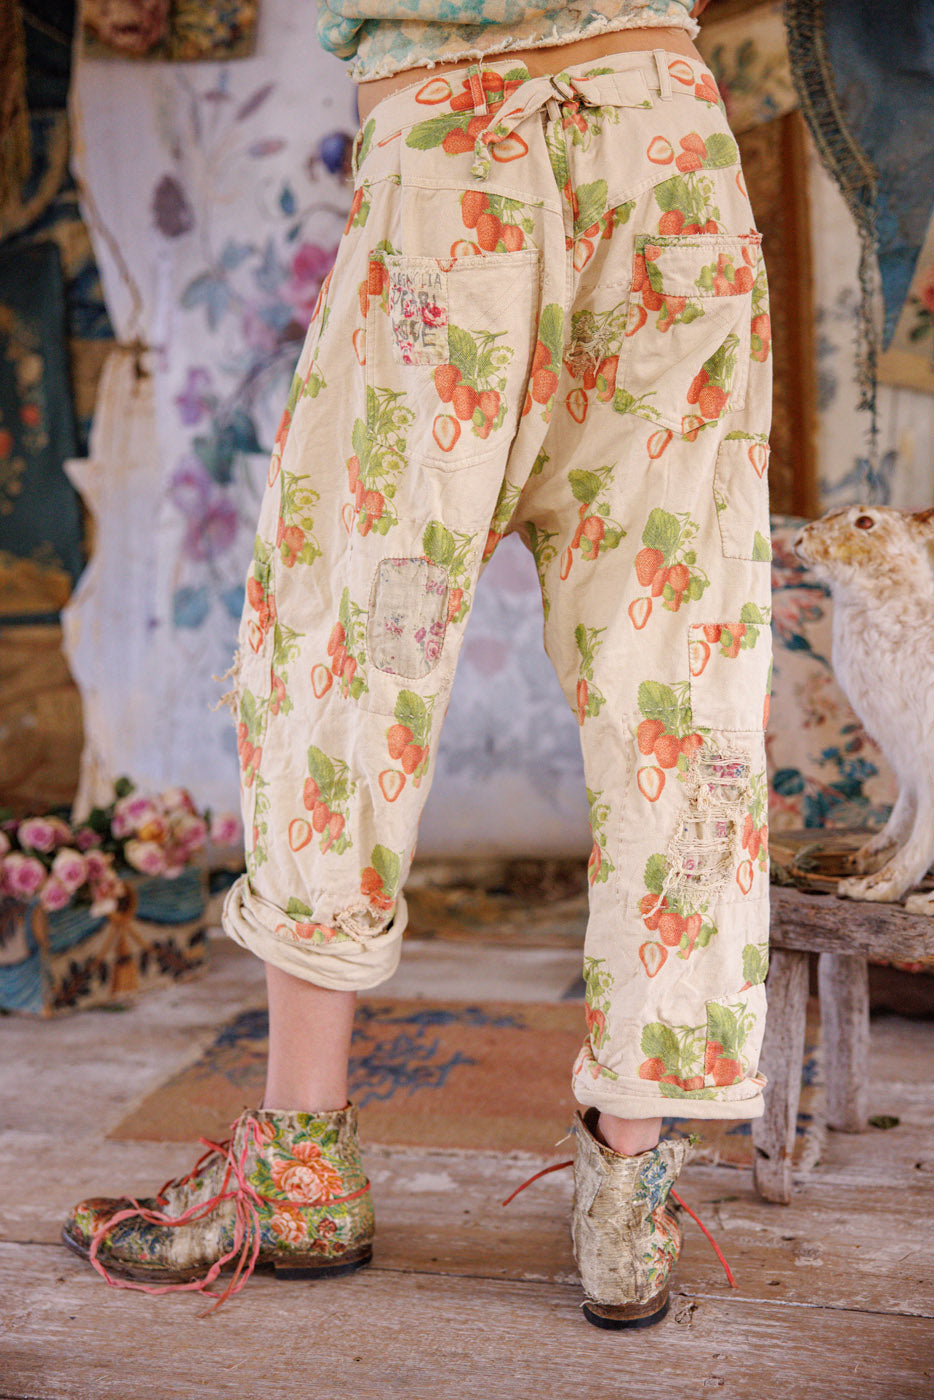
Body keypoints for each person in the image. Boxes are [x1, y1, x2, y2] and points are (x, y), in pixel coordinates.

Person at [64, 0, 773, 1328]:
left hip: (457, 148)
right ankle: (629, 1197)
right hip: (665, 144)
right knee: (677, 667)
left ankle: (301, 1166)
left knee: (345, 647)